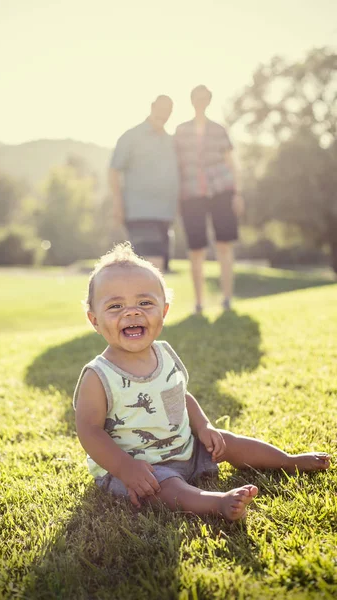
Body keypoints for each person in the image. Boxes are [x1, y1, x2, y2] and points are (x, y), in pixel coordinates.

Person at [74, 243, 330, 520]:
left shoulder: (164, 354)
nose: (132, 312)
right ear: (94, 320)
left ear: (164, 311)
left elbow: (180, 396)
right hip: (141, 469)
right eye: (115, 306)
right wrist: (125, 467)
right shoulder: (99, 375)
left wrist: (204, 426)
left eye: (145, 303)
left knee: (226, 440)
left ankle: (287, 461)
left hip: (187, 449)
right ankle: (215, 503)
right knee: (166, 487)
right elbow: (89, 430)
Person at [175, 85, 244, 312]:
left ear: (209, 101)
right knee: (196, 249)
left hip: (221, 190)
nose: (200, 101)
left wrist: (237, 193)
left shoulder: (218, 130)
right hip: (191, 194)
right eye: (197, 97)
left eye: (205, 98)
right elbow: (176, 166)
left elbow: (231, 163)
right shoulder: (181, 130)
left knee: (224, 245)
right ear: (192, 100)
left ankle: (226, 298)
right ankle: (198, 302)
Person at [109, 95, 179, 272]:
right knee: (152, 267)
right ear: (152, 107)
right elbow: (114, 170)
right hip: (141, 212)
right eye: (161, 109)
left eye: (168, 111)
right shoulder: (131, 137)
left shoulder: (170, 141)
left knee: (158, 271)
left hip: (165, 215)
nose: (164, 114)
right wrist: (118, 205)